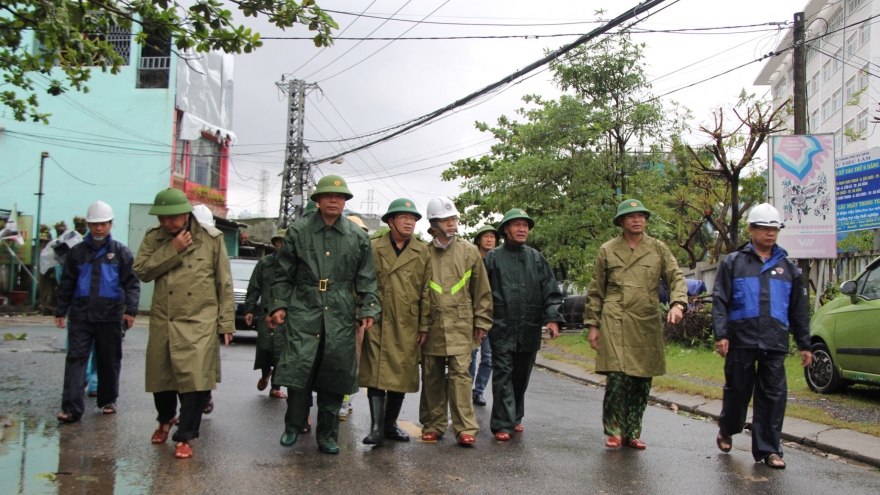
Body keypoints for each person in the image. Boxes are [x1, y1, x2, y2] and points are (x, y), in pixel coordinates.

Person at [269, 175, 380, 454]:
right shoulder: (298, 231)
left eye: (340, 197)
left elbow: (366, 278)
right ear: (317, 200)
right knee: (299, 370)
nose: (334, 200)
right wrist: (280, 304)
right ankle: (293, 425)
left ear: (345, 202)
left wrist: (368, 307)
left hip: (340, 310)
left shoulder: (357, 236)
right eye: (329, 196)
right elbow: (282, 274)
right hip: (304, 307)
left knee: (334, 375)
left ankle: (328, 436)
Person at [133, 189, 235, 460]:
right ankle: (165, 418)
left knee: (196, 381)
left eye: (172, 217)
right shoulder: (154, 238)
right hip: (165, 319)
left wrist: (226, 324)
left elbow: (223, 283)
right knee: (162, 379)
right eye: (163, 217)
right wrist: (171, 250)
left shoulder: (212, 239)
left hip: (200, 320)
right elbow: (142, 271)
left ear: (186, 213)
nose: (167, 222)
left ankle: (185, 437)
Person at [712, 203, 812, 469]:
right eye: (765, 229)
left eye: (774, 229)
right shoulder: (734, 262)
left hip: (774, 340)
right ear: (751, 230)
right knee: (738, 391)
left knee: (772, 396)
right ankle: (728, 428)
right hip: (740, 339)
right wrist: (721, 334)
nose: (770, 234)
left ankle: (769, 450)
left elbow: (798, 309)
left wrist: (804, 343)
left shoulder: (787, 268)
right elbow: (720, 301)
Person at [584, 199, 686, 450]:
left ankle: (632, 431)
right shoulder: (607, 250)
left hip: (646, 320)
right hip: (615, 317)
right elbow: (596, 290)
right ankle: (614, 430)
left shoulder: (658, 248)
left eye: (641, 216)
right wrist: (593, 325)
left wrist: (678, 304)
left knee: (642, 379)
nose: (637, 220)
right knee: (618, 377)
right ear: (621, 221)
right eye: (631, 216)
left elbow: (676, 277)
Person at [56, 201, 140, 423]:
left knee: (109, 359)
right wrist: (60, 310)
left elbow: (131, 283)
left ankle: (108, 400)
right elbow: (67, 283)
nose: (99, 228)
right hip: (81, 316)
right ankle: (72, 408)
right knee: (75, 359)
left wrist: (130, 311)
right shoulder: (77, 253)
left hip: (110, 316)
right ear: (88, 225)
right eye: (94, 224)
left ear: (111, 224)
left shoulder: (121, 253)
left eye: (103, 224)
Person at [419, 196, 493, 446]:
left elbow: (482, 290)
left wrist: (482, 322)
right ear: (433, 224)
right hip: (432, 325)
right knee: (432, 376)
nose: (452, 224)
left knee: (461, 375)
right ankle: (433, 424)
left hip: (462, 325)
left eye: (454, 219)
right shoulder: (423, 253)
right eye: (446, 220)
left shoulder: (469, 251)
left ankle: (465, 428)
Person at [485, 209, 564, 441]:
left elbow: (551, 291)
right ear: (506, 230)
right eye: (517, 225)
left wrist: (552, 318)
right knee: (502, 375)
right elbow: (481, 293)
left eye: (525, 226)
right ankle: (502, 423)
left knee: (521, 375)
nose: (522, 229)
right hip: (500, 326)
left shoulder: (536, 258)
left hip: (528, 327)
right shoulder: (493, 258)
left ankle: (515, 416)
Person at [358, 198, 432, 445]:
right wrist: (361, 312)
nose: (409, 222)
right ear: (390, 221)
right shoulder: (373, 247)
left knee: (401, 373)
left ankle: (390, 425)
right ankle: (377, 428)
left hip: (407, 323)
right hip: (377, 319)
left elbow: (426, 292)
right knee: (375, 373)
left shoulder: (422, 251)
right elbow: (361, 281)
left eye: (412, 219)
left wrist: (423, 325)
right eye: (403, 218)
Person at [244, 230, 288, 399]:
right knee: (265, 348)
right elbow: (254, 287)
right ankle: (265, 375)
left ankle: (275, 387)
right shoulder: (264, 263)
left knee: (280, 350)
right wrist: (249, 309)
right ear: (275, 243)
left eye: (284, 242)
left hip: (284, 316)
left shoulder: (292, 264)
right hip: (265, 312)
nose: (281, 245)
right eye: (279, 241)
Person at [339, 214, 371, 421]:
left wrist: (365, 314)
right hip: (336, 316)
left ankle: (345, 400)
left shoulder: (368, 257)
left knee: (354, 361)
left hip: (358, 318)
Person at [470, 224, 499, 406]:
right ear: (479, 239)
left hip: (493, 316)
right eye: (485, 236)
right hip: (473, 315)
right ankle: (464, 390)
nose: (489, 239)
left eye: (492, 236)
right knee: (471, 355)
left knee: (488, 357)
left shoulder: (499, 260)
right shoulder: (472, 259)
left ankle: (478, 391)